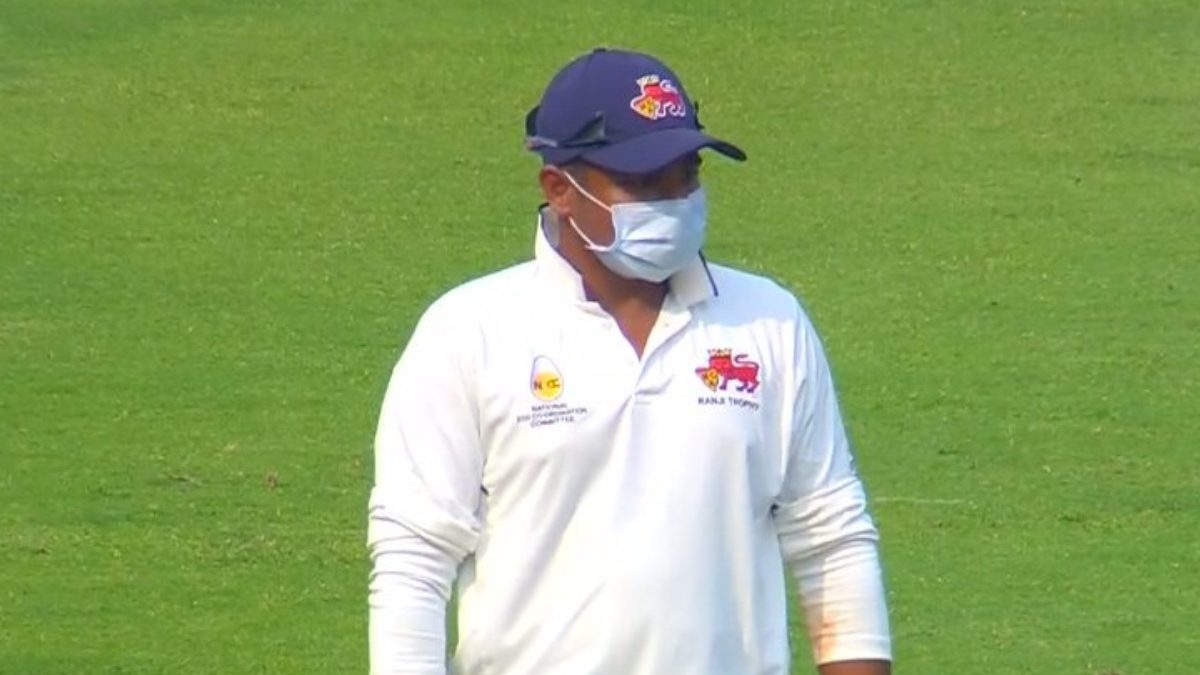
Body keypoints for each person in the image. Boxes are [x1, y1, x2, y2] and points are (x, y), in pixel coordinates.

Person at [368, 47, 892, 675]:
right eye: (644, 183)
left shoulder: (769, 322)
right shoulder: (470, 332)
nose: (675, 202)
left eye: (687, 175)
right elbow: (415, 559)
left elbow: (831, 535)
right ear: (560, 188)